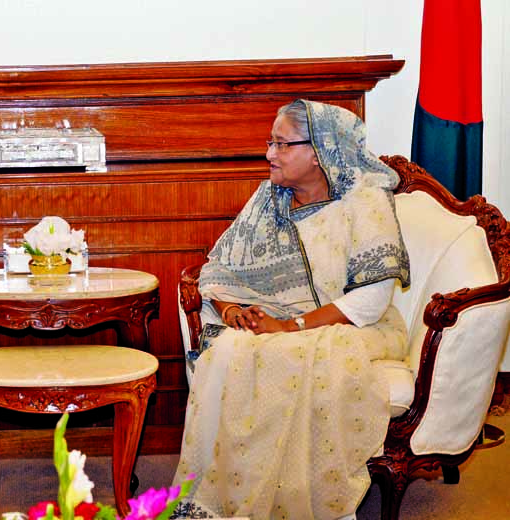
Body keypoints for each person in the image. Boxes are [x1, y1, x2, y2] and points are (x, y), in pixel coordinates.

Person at [173, 100, 411, 520]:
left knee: (288, 357)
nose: (270, 154)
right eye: (271, 143)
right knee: (229, 351)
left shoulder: (366, 201)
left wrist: (289, 326)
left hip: (348, 324)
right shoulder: (270, 196)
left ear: (319, 151)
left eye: (282, 145)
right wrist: (231, 311)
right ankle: (229, 506)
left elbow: (369, 303)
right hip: (269, 319)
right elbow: (218, 268)